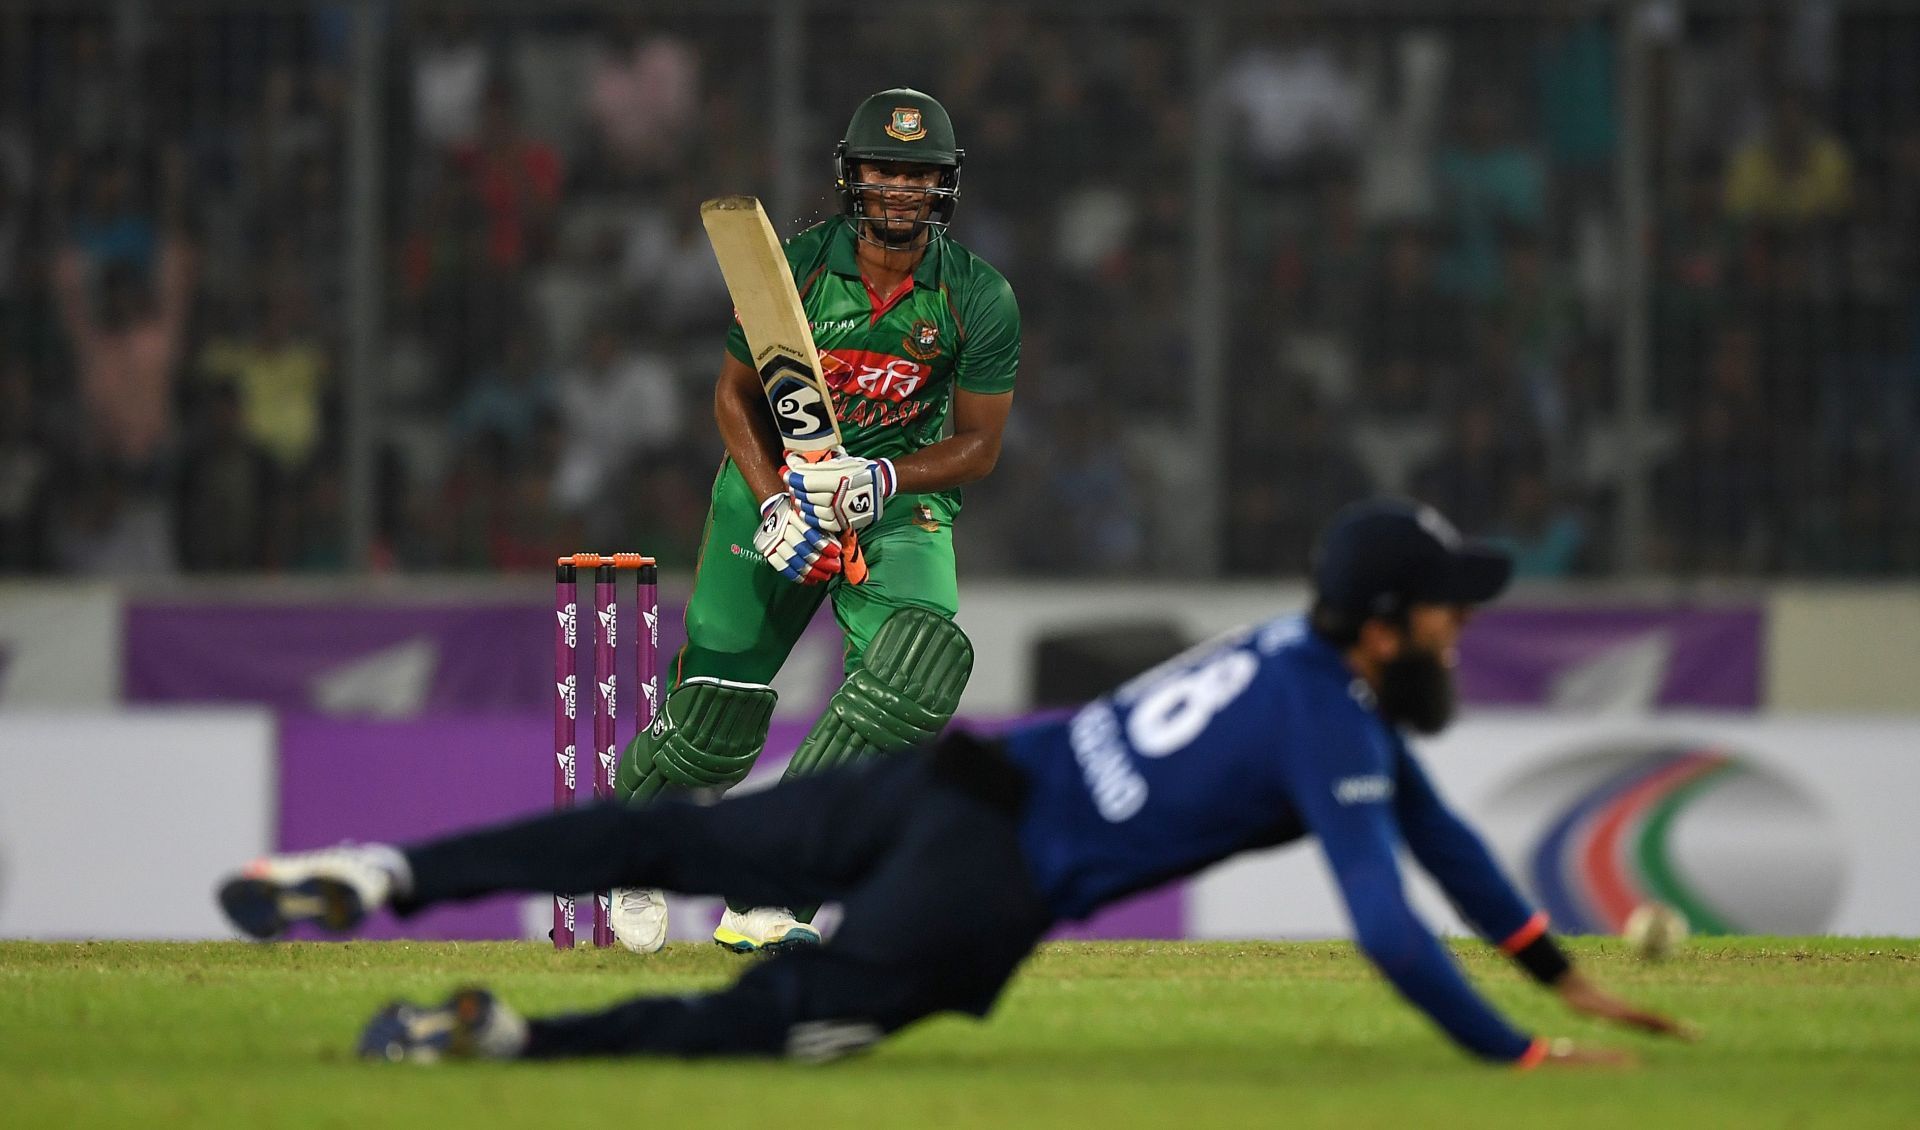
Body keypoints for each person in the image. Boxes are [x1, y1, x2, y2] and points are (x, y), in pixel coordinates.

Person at [218, 499, 1693, 1067]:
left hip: (943, 780)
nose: (1464, 621)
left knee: (666, 832)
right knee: (773, 1024)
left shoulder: (1286, 655)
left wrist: (1556, 969)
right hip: (980, 883)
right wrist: (1512, 1054)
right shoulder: (1341, 725)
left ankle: (386, 870)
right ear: (1385, 621)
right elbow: (1384, 915)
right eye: (1448, 603)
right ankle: (492, 1046)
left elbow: (1435, 835)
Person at [604, 87, 1020, 954]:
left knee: (915, 668)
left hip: (893, 503)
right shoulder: (791, 267)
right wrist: (774, 502)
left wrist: (880, 478)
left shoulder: (977, 297)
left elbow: (979, 445)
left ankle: (775, 887)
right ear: (852, 175)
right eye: (884, 168)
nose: (901, 188)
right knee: (718, 722)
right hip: (774, 489)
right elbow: (734, 394)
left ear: (944, 186)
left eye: (919, 173)